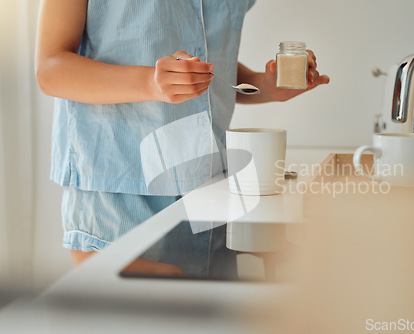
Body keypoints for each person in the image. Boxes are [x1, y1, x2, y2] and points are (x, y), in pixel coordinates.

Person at [35, 0, 330, 270]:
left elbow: (207, 61)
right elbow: (50, 69)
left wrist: (263, 85)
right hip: (118, 192)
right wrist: (149, 83)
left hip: (211, 193)